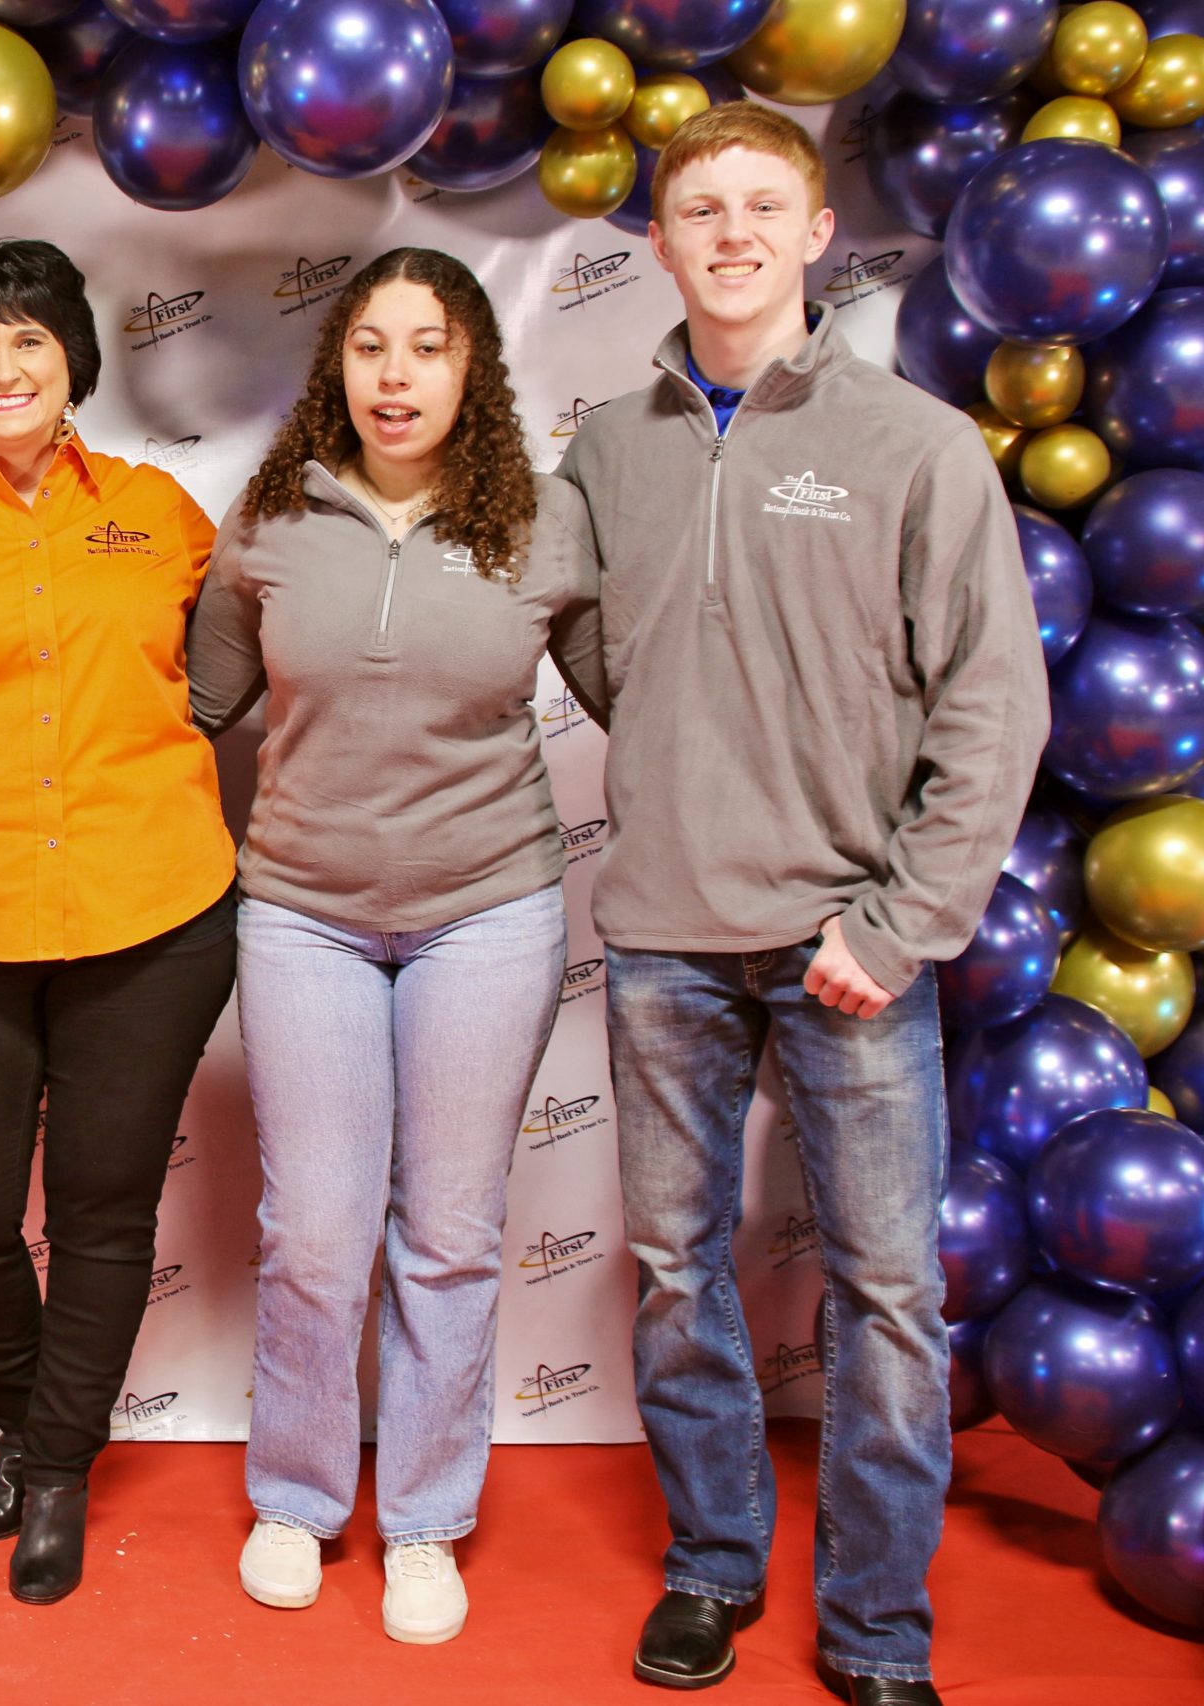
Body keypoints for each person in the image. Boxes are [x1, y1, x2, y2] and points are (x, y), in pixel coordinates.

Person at [556, 105, 1046, 1705]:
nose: (733, 234)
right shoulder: (606, 448)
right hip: (663, 935)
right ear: (660, 241)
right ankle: (711, 1564)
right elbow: (592, 645)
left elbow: (995, 707)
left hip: (853, 940)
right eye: (701, 209)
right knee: (677, 1268)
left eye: (764, 206)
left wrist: (895, 925)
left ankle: (878, 1625)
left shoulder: (918, 443)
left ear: (819, 234)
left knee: (889, 1294)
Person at [187, 247, 607, 1644]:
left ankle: (425, 1518)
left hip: (488, 908)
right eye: (371, 345)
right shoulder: (270, 517)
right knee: (314, 1232)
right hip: (301, 912)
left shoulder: (541, 520)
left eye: (429, 346)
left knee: (450, 1232)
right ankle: (298, 1499)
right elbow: (186, 710)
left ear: (472, 366)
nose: (397, 375)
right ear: (338, 366)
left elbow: (646, 698)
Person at [0, 237, 237, 1606]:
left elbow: (238, 671)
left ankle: (56, 1471)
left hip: (153, 911)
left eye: (30, 339)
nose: (6, 366)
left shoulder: (161, 512)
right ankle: (30, 1423)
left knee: (100, 1209)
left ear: (73, 361)